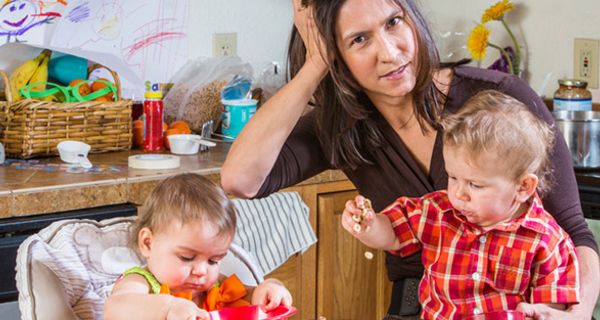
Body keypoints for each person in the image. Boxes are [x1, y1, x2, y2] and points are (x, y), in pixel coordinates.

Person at [220, 0, 600, 319]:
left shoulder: (499, 103)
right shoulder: (340, 128)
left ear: (412, 18)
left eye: (393, 22)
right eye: (359, 40)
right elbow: (240, 180)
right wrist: (315, 65)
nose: (389, 52)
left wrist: (574, 315)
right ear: (338, 56)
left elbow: (573, 230)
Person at [341, 90, 580, 319]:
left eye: (475, 185)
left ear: (523, 187)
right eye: (453, 177)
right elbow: (392, 234)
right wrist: (370, 225)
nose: (459, 193)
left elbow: (549, 311)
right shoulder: (438, 212)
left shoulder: (547, 242)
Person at [104, 173, 292, 320]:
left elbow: (251, 294)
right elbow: (115, 308)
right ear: (148, 243)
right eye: (187, 257)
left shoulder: (214, 285)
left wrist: (269, 290)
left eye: (213, 260)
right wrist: (168, 309)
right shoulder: (140, 282)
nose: (202, 271)